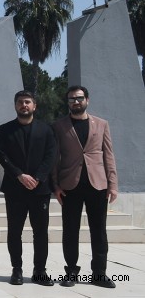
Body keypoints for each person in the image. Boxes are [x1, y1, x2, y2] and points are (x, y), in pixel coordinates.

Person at [52, 85, 118, 289]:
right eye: (72, 99)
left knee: (99, 231)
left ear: (87, 100)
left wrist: (113, 184)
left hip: (97, 185)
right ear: (68, 102)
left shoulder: (102, 124)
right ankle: (71, 272)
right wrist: (55, 186)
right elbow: (54, 158)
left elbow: (109, 155)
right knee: (70, 231)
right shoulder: (59, 126)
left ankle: (99, 273)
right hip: (69, 186)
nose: (76, 102)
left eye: (79, 98)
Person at [0, 90, 56, 286]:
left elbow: (51, 155)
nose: (24, 105)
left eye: (27, 102)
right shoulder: (5, 129)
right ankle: (17, 269)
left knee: (41, 232)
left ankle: (40, 271)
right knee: (14, 231)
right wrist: (19, 175)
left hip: (40, 189)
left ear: (34, 106)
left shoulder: (46, 130)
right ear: (15, 105)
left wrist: (37, 177)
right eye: (20, 102)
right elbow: (1, 155)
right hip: (15, 188)